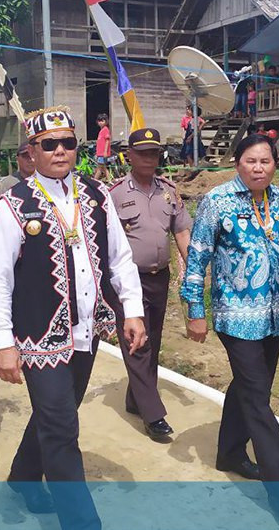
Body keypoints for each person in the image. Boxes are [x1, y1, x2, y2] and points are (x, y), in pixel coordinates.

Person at [0, 105, 146, 529]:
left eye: (68, 143)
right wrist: (2, 343)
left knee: (56, 412)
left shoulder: (96, 194)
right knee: (62, 427)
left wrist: (132, 310)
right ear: (31, 152)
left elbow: (120, 259)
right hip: (39, 335)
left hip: (86, 330)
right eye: (48, 144)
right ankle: (80, 520)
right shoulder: (12, 205)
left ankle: (22, 477)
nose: (60, 151)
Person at [182, 134, 279, 519]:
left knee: (252, 388)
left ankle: (229, 453)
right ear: (237, 163)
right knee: (257, 398)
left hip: (273, 316)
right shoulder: (217, 202)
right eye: (251, 161)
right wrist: (195, 310)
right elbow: (196, 259)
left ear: (274, 165)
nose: (259, 167)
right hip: (234, 315)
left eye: (265, 161)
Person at [108, 128, 191, 442]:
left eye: (154, 152)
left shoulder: (169, 190)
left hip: (160, 277)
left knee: (152, 340)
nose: (148, 158)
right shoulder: (115, 194)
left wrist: (192, 270)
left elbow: (181, 232)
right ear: (129, 155)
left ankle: (135, 398)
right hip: (128, 281)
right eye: (142, 152)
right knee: (137, 342)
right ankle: (153, 414)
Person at [94, 114, 111, 182]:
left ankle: (94, 181)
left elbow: (107, 141)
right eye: (99, 121)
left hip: (102, 153)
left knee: (100, 169)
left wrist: (105, 152)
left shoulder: (105, 130)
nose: (100, 122)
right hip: (99, 153)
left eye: (102, 121)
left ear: (106, 121)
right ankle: (109, 180)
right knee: (103, 168)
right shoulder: (101, 131)